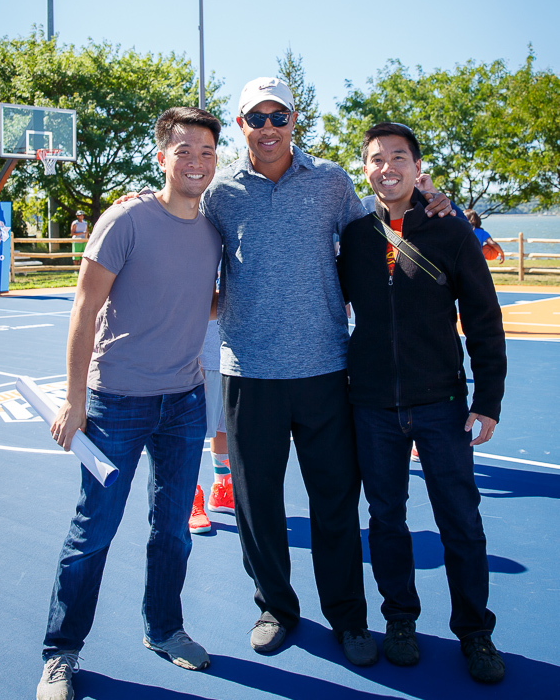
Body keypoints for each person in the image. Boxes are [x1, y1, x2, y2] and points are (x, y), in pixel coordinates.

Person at [199, 78, 454, 666]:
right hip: (249, 373)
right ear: (241, 125)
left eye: (279, 116)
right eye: (256, 117)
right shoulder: (219, 191)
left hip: (325, 370)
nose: (268, 127)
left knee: (335, 504)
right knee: (258, 505)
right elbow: (181, 225)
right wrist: (141, 199)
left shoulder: (332, 182)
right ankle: (275, 608)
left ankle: (348, 617)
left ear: (295, 121)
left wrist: (431, 201)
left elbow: (381, 229)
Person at [36, 108, 222, 700]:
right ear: (162, 157)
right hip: (116, 402)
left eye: (207, 152)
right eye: (184, 150)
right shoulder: (125, 219)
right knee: (93, 531)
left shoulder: (213, 229)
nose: (196, 162)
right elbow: (84, 307)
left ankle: (163, 628)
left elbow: (201, 300)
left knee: (173, 529)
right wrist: (74, 399)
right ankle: (61, 654)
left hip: (185, 402)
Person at [337, 122, 506, 684]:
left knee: (461, 521)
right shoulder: (354, 235)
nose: (387, 167)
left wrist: (488, 399)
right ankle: (400, 621)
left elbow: (484, 319)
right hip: (372, 406)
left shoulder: (450, 230)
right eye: (376, 158)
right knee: (385, 520)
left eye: (398, 157)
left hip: (442, 404)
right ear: (365, 169)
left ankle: (475, 631)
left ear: (416, 167)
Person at [189, 317, 235, 534]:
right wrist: (190, 355)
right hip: (200, 360)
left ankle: (222, 490)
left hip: (231, 358)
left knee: (224, 427)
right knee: (191, 433)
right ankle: (187, 496)